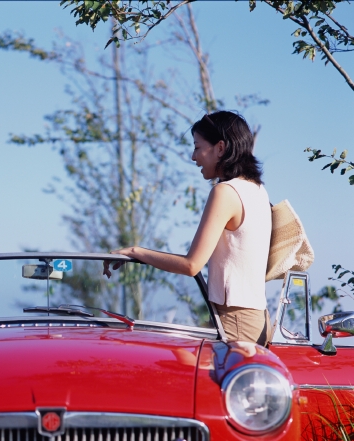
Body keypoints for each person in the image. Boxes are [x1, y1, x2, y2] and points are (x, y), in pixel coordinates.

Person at [103, 111, 272, 345]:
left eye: (197, 147)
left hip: (236, 321)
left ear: (220, 148)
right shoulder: (257, 190)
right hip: (258, 318)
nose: (194, 157)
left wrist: (135, 252)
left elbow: (192, 265)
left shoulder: (225, 192)